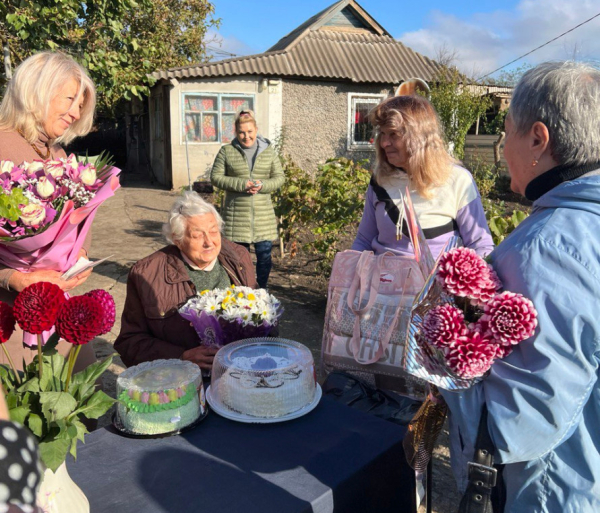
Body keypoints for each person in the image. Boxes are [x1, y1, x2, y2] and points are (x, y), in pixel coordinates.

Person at [441, 61, 600, 512]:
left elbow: (517, 420)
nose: (498, 143)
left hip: (549, 487)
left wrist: (447, 358)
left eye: (505, 129)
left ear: (537, 138)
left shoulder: (548, 248)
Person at [0, 51, 96, 370]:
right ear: (36, 90)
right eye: (69, 98)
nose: (74, 112)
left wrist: (78, 255)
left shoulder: (57, 153)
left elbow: (75, 223)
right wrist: (11, 277)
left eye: (79, 105)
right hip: (11, 329)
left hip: (59, 312)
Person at [115, 192, 257, 370]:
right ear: (178, 239)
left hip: (240, 372)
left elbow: (262, 313)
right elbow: (130, 342)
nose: (209, 242)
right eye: (197, 235)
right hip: (182, 380)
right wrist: (180, 357)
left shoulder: (239, 258)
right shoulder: (147, 273)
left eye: (214, 231)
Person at [352, 94, 493, 259]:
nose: (384, 143)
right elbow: (364, 240)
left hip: (439, 283)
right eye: (382, 134)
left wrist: (471, 280)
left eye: (393, 134)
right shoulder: (380, 180)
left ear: (419, 138)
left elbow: (480, 245)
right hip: (382, 282)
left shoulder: (458, 180)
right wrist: (347, 277)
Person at [210, 110, 285, 289]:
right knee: (237, 259)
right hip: (237, 217)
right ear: (236, 132)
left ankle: (261, 290)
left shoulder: (268, 152)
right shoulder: (227, 152)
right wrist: (242, 184)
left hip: (263, 216)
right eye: (242, 132)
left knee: (264, 258)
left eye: (250, 131)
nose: (246, 136)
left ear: (256, 129)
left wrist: (263, 186)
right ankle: (241, 290)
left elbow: (279, 178)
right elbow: (216, 177)